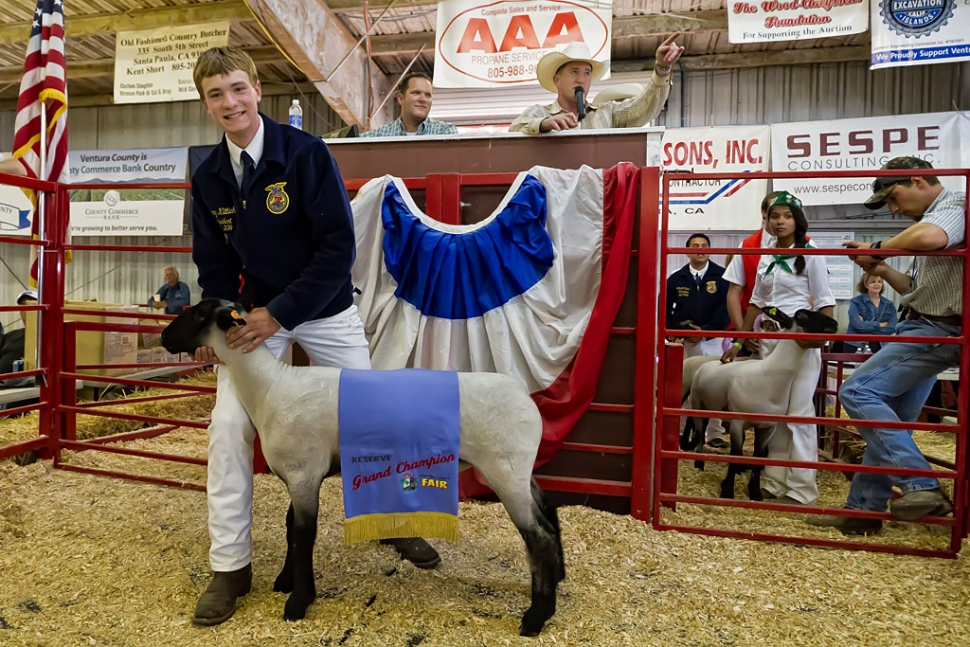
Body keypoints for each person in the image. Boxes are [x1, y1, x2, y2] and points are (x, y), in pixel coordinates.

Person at [188, 46, 439, 627]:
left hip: (322, 308)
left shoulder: (305, 153)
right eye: (215, 95)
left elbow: (336, 251)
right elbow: (215, 266)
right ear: (206, 103)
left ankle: (393, 521)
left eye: (236, 89)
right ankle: (230, 565)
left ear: (255, 87)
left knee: (371, 409)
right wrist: (225, 324)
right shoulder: (207, 176)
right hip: (253, 318)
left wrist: (282, 313)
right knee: (228, 424)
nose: (230, 103)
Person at [809, 157, 963, 534]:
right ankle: (863, 513)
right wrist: (880, 269)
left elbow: (933, 237)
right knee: (888, 419)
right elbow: (915, 290)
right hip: (923, 323)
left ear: (918, 180)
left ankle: (922, 485)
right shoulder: (924, 222)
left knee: (857, 391)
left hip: (938, 329)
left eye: (894, 198)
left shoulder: (955, 205)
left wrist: (879, 247)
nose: (894, 209)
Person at [721, 192, 835, 505]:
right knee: (774, 413)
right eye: (774, 216)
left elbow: (826, 303)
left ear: (797, 219)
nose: (779, 221)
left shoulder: (811, 253)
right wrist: (740, 341)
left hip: (798, 343)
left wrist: (817, 340)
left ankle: (801, 488)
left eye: (786, 215)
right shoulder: (767, 253)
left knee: (798, 413)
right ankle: (774, 480)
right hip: (769, 341)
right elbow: (756, 302)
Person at [508, 34, 684, 135]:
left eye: (587, 73)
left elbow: (644, 108)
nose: (581, 79)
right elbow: (513, 132)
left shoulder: (607, 113)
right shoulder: (539, 113)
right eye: (574, 72)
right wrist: (544, 124)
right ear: (557, 79)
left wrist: (663, 68)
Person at [666, 233, 730, 448]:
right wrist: (673, 332)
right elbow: (665, 309)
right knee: (685, 386)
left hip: (714, 340)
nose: (700, 249)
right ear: (687, 251)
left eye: (704, 246)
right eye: (695, 246)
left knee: (714, 386)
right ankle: (683, 431)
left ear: (710, 250)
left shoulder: (722, 277)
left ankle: (714, 434)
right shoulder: (676, 278)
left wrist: (704, 330)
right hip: (685, 342)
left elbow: (726, 309)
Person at [723, 191, 782, 355]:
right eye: (774, 212)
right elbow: (733, 294)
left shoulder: (805, 246)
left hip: (788, 332)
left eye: (787, 214)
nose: (780, 219)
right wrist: (744, 334)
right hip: (751, 329)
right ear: (764, 213)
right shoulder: (747, 246)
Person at [362, 72, 458, 137]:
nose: (422, 99)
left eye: (427, 95)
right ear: (400, 98)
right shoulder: (379, 136)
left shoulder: (445, 132)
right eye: (416, 93)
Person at [844, 272, 898, 354]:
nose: (877, 284)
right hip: (856, 345)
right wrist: (880, 325)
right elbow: (857, 325)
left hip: (881, 345)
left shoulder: (889, 304)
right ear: (866, 285)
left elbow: (892, 327)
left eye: (879, 281)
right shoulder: (856, 302)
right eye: (873, 281)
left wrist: (866, 324)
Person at [0, 290, 37, 389]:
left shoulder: (46, 337)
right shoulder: (10, 335)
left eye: (30, 305)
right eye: (22, 306)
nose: (25, 311)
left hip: (20, 390)